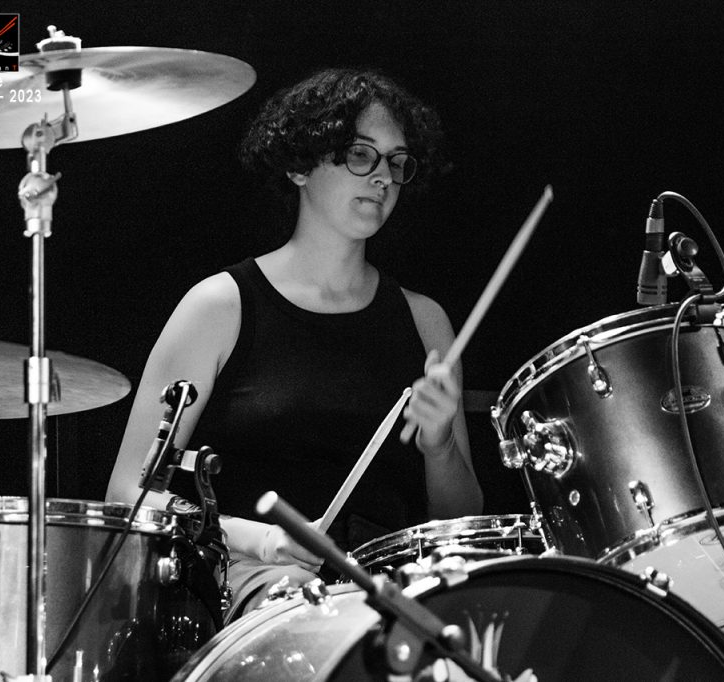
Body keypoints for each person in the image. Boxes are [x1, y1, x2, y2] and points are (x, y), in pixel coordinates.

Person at [106, 67, 483, 622]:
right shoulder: (219, 307)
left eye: (397, 162)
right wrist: (260, 540)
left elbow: (461, 520)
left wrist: (441, 445)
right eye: (361, 155)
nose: (383, 177)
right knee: (303, 609)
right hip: (253, 582)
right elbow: (127, 493)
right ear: (300, 165)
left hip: (393, 587)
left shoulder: (425, 321)